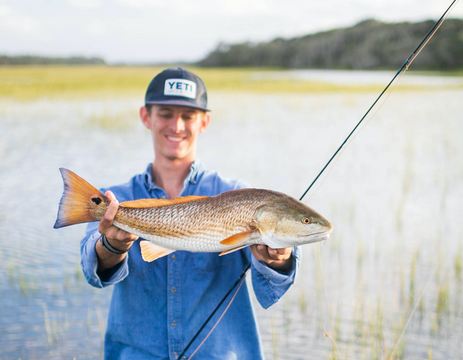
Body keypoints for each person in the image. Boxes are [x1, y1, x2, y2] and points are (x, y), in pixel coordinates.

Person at [80, 68, 300, 360]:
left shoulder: (239, 195)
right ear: (146, 116)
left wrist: (280, 259)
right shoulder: (115, 200)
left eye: (188, 115)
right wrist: (112, 246)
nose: (177, 125)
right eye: (166, 113)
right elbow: (93, 272)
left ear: (204, 121)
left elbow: (273, 285)